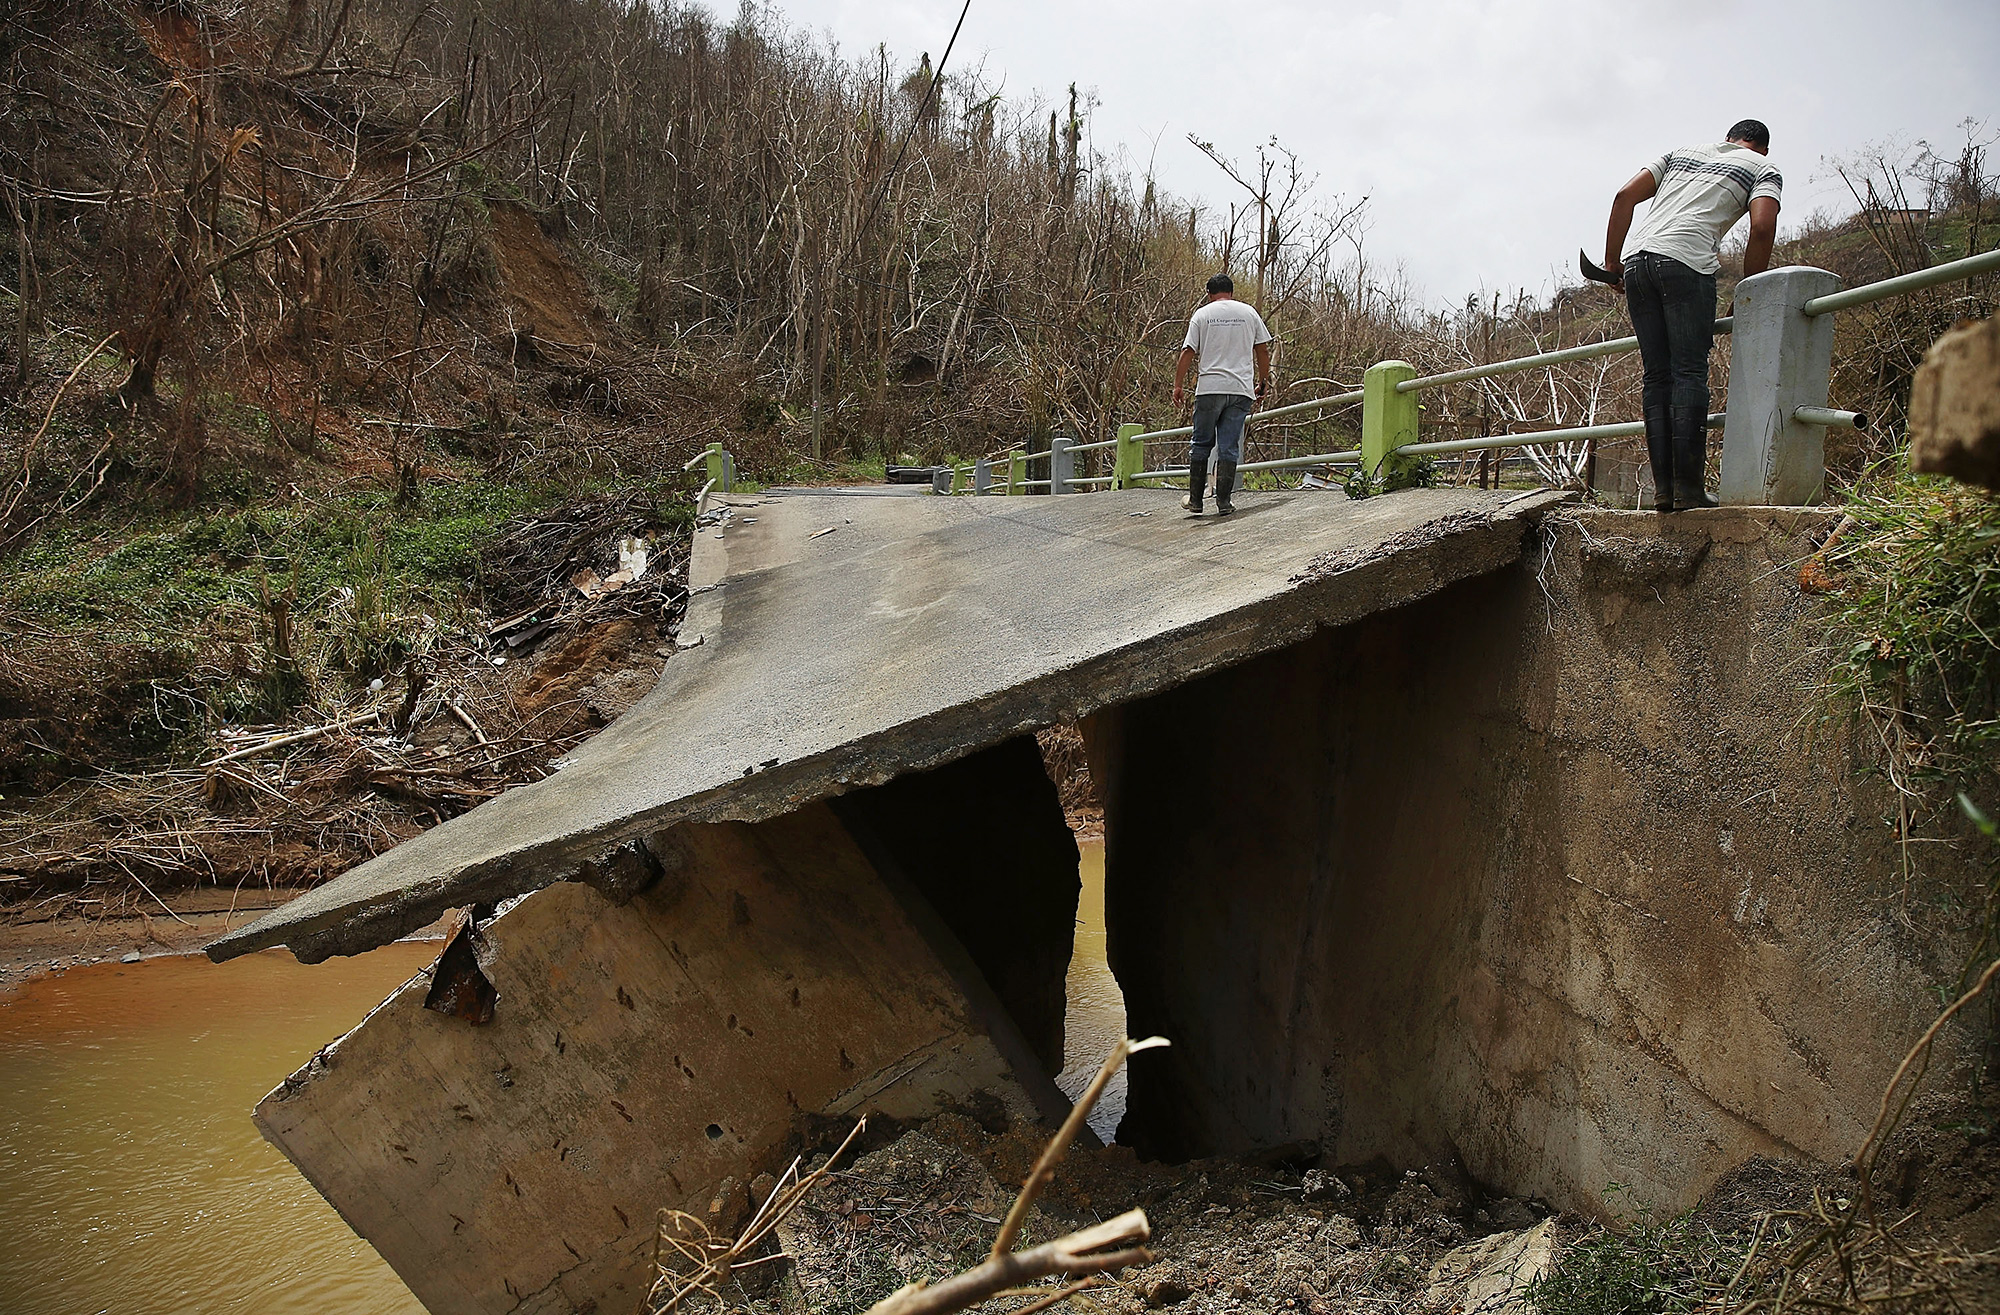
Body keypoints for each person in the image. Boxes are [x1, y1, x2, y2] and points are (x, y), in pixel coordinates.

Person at [1601, 119, 1782, 511]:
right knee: (1688, 372)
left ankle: (1664, 492)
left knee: (1657, 375)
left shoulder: (1679, 153)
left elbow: (1623, 197)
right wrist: (1749, 288)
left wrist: (1612, 262)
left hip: (1638, 262)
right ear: (1762, 147)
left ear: (1728, 138)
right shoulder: (1764, 169)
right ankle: (1688, 490)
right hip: (1686, 264)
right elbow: (1763, 227)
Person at [1172, 273, 1272, 515]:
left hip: (1209, 388)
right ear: (1232, 292)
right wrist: (1263, 381)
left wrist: (1178, 385)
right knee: (1229, 446)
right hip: (1240, 390)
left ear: (1209, 293)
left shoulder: (1202, 314)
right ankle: (1224, 503)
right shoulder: (1248, 313)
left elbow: (1188, 351)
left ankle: (1196, 500)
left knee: (1201, 443)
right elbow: (1262, 349)